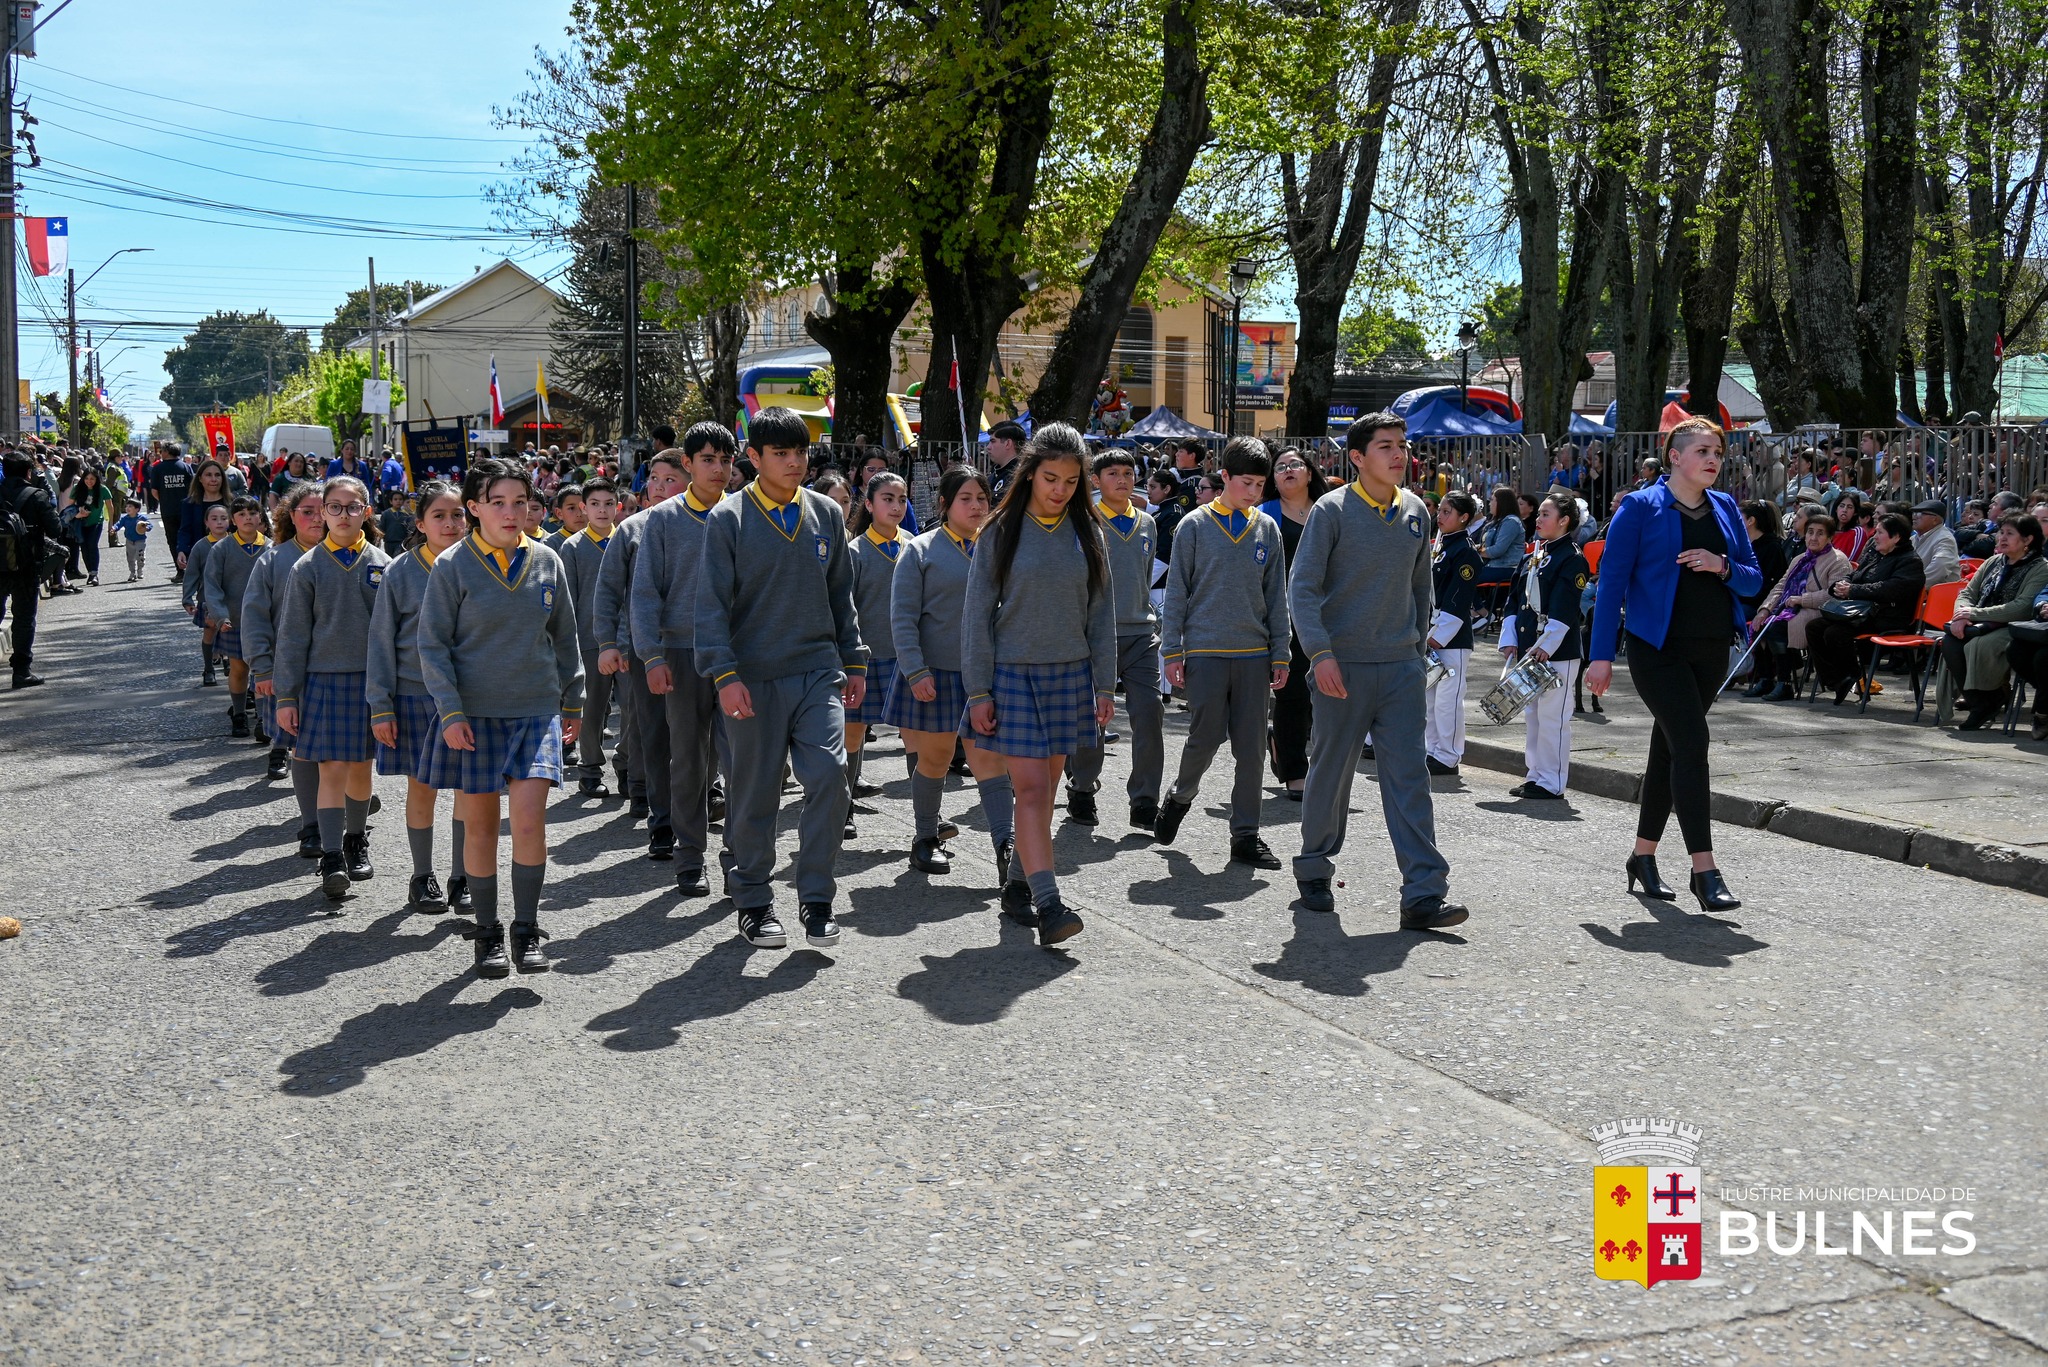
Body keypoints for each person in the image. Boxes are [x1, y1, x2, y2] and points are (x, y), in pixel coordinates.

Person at [695, 406, 867, 951]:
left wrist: (854, 660)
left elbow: (841, 594)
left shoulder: (826, 513)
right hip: (752, 678)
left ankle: (816, 898)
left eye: (801, 451)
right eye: (781, 453)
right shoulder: (728, 518)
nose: (795, 462)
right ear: (754, 457)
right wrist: (724, 674)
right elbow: (710, 606)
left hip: (818, 671)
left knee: (830, 778)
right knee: (755, 793)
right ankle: (753, 900)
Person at [1288, 413, 1465, 930]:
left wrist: (1415, 649)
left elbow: (1420, 588)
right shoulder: (1331, 510)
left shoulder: (1416, 511)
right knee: (1331, 773)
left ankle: (1424, 893)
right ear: (1358, 457)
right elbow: (1302, 587)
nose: (1399, 454)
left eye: (1402, 445)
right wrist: (1319, 654)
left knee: (1410, 779)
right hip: (1341, 668)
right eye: (1385, 446)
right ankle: (1314, 869)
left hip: (1401, 667)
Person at [1586, 418, 1762, 913]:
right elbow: (1611, 584)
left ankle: (1642, 856)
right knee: (1691, 743)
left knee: (1669, 749)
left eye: (1718, 452)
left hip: (1712, 647)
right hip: (1656, 649)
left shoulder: (1725, 506)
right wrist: (1600, 656)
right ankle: (1704, 870)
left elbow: (1753, 580)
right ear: (1675, 456)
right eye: (1703, 450)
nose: (1713, 459)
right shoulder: (1640, 507)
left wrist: (1720, 564)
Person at [417, 459, 584, 976]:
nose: (510, 513)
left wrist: (574, 699)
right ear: (474, 508)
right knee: (482, 826)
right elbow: (433, 646)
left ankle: (526, 930)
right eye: (497, 503)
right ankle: (487, 932)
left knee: (530, 821)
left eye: (519, 502)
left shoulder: (548, 560)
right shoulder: (452, 566)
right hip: (474, 716)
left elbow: (565, 636)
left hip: (536, 710)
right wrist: (450, 712)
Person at [961, 422, 1114, 947]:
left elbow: (1101, 615)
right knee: (1030, 790)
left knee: (1045, 791)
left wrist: (1105, 686)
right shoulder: (999, 531)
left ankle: (1017, 885)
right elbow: (976, 617)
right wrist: (978, 691)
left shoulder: (1089, 533)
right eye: (1051, 478)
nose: (1060, 490)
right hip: (1012, 676)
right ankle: (1050, 905)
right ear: (1029, 474)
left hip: (1070, 674)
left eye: (1071, 481)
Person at [1154, 437, 1290, 865]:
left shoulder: (1267, 528)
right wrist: (1172, 651)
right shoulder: (1193, 525)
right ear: (1225, 477)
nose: (1253, 492)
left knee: (1251, 749)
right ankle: (1181, 795)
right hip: (1205, 652)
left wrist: (1281, 652)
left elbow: (1277, 595)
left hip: (1254, 654)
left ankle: (1245, 834)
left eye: (1260, 485)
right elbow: (1177, 591)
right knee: (1205, 738)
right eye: (1245, 482)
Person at [886, 467, 1011, 882]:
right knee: (936, 757)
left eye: (982, 498)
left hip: (986, 675)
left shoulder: (1000, 548)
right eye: (966, 498)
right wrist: (915, 670)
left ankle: (1007, 846)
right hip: (935, 674)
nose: (976, 506)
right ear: (944, 504)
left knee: (989, 760)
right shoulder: (920, 550)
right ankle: (925, 838)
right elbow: (903, 617)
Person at [272, 475, 392, 902]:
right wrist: (287, 695)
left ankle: (355, 841)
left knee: (360, 768)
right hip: (322, 681)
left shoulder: (384, 564)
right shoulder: (306, 567)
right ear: (323, 512)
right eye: (335, 507)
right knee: (331, 768)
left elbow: (394, 634)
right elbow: (292, 637)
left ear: (367, 512)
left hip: (370, 682)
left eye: (353, 507)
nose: (344, 515)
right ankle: (331, 855)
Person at [633, 422, 739, 897]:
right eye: (707, 460)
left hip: (737, 654)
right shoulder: (663, 519)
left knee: (741, 761)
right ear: (688, 464)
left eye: (725, 460)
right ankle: (690, 855)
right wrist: (651, 656)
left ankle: (738, 857)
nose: (718, 469)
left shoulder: (744, 513)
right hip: (680, 653)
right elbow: (644, 593)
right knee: (689, 760)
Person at [367, 480, 470, 916]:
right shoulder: (400, 572)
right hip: (415, 696)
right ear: (421, 523)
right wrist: (381, 706)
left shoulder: (481, 563)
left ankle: (463, 875)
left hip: (469, 698)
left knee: (470, 789)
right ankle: (422, 875)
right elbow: (380, 642)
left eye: (457, 514)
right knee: (422, 787)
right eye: (438, 516)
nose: (450, 524)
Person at [1065, 450, 1165, 829]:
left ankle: (1144, 799)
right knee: (1094, 717)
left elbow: (1145, 576)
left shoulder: (1147, 523)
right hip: (1096, 635)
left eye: (1128, 473)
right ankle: (1082, 787)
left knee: (1149, 713)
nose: (1122, 480)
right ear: (1095, 480)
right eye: (1112, 474)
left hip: (1140, 634)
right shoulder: (1084, 522)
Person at [595, 455, 686, 846]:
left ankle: (701, 798)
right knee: (653, 733)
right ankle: (658, 813)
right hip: (645, 650)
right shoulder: (631, 529)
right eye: (654, 478)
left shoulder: (713, 522)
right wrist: (608, 643)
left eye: (671, 478)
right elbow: (609, 590)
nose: (660, 486)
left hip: (698, 648)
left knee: (700, 736)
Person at [1499, 493, 1589, 800]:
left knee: (1553, 718)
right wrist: (1510, 638)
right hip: (1530, 650)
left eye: (1545, 514)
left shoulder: (1572, 558)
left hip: (1556, 652)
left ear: (1564, 521)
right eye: (1538, 514)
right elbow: (1514, 600)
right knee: (1534, 716)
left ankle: (1552, 781)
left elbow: (1565, 607)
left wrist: (1546, 645)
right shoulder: (1533, 555)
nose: (1538, 519)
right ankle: (1535, 775)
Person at [839, 468, 912, 842]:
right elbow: (845, 610)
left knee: (918, 737)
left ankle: (927, 820)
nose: (896, 506)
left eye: (902, 499)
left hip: (908, 660)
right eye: (887, 499)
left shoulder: (914, 546)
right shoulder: (854, 553)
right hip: (865, 661)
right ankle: (843, 808)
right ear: (868, 504)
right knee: (852, 737)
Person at [247, 485, 330, 804]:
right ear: (291, 517)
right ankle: (315, 815)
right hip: (287, 669)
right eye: (307, 512)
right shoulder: (273, 560)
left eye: (323, 511)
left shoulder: (348, 556)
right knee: (301, 742)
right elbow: (254, 617)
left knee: (337, 748)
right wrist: (263, 667)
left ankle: (345, 802)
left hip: (335, 668)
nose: (317, 519)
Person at [1262, 449, 1331, 796]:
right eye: (1280, 467)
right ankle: (1294, 771)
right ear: (1273, 479)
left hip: (1327, 615)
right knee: (1292, 695)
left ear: (1309, 472)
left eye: (1295, 465)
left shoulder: (1330, 510)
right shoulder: (1264, 515)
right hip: (1283, 616)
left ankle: (1287, 744)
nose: (1288, 470)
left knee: (1328, 695)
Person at [1809, 509, 1926, 705]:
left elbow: (1890, 589)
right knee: (1814, 627)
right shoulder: (1874, 552)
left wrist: (1853, 590)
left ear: (1896, 537)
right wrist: (1842, 584)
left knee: (1835, 633)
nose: (1875, 536)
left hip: (1888, 616)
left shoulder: (1910, 561)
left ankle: (1851, 674)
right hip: (1861, 611)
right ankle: (1836, 680)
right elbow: (1856, 574)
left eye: (1880, 532)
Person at [1944, 513, 2048, 730]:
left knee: (1981, 644)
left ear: (2028, 539)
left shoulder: (2041, 568)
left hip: (2014, 626)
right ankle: (1978, 702)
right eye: (2001, 532)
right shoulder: (1993, 562)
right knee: (1951, 641)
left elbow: (2022, 607)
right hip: (1979, 622)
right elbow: (1967, 593)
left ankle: (1993, 696)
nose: (2002, 537)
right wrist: (1960, 616)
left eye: (2010, 533)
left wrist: (1973, 614)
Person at [558, 476, 623, 798]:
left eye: (609, 504)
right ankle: (590, 769)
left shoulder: (627, 538)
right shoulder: (572, 547)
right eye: (594, 504)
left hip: (628, 639)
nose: (602, 510)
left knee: (633, 712)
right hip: (589, 641)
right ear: (584, 508)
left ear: (618, 507)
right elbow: (568, 601)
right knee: (594, 709)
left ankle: (628, 768)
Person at [1745, 512, 1849, 700]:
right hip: (1792, 609)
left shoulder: (1838, 560)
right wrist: (1765, 609)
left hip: (1817, 611)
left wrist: (1802, 599)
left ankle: (1784, 683)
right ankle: (1766, 678)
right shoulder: (1799, 559)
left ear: (1830, 537)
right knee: (1759, 624)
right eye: (1810, 532)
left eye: (1820, 533)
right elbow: (1780, 587)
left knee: (1775, 629)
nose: (1813, 537)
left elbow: (1834, 594)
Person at [201, 496, 271, 740]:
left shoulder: (271, 548)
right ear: (233, 520)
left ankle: (263, 719)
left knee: (263, 670)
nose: (248, 518)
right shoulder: (222, 549)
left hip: (265, 623)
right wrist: (221, 616)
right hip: (234, 621)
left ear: (260, 517)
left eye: (252, 513)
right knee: (239, 669)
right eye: (241, 514)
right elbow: (212, 586)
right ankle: (239, 713)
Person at [1425, 491, 1483, 776]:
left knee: (1448, 701)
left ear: (1464, 517)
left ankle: (1448, 755)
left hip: (1452, 637)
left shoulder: (1466, 551)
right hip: (1431, 631)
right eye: (1440, 510)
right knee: (1430, 699)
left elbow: (1458, 599)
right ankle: (1432, 749)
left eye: (1447, 512)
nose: (1440, 516)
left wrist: (1438, 635)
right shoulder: (1441, 545)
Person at [0, 452, 60, 688]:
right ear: (28, 473)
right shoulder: (37, 496)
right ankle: (21, 671)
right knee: (24, 618)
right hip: (26, 566)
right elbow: (55, 529)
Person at [183, 504, 232, 687]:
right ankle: (209, 669)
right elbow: (192, 574)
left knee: (230, 630)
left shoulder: (235, 543)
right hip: (208, 598)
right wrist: (187, 598)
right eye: (214, 519)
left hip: (231, 597)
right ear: (206, 522)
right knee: (210, 631)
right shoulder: (201, 546)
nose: (219, 522)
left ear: (230, 521)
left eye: (223, 518)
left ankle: (229, 661)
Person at [176, 459, 234, 576]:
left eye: (217, 475)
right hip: (201, 559)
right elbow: (185, 529)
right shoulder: (189, 504)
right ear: (200, 478)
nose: (213, 479)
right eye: (208, 475)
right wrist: (182, 550)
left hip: (230, 558)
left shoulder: (232, 502)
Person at [146, 444, 192, 580]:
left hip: (168, 510)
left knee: (173, 540)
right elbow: (193, 488)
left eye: (162, 451)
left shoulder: (158, 468)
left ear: (167, 452)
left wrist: (165, 500)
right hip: (186, 509)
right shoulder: (185, 467)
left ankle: (180, 571)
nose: (160, 453)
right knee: (188, 538)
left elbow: (154, 491)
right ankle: (191, 569)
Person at [66, 466, 114, 586]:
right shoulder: (77, 488)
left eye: (92, 479)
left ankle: (94, 574)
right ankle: (90, 572)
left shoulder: (102, 489)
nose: (89, 481)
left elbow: (110, 507)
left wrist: (110, 524)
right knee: (84, 547)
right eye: (87, 478)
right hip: (80, 523)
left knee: (92, 545)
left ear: (97, 479)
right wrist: (78, 513)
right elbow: (70, 506)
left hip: (96, 522)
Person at [1911, 499, 1961, 585]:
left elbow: (1941, 567)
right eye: (1914, 513)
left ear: (1935, 520)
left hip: (1937, 591)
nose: (1914, 517)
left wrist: (1911, 586)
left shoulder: (1945, 539)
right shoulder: (1913, 539)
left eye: (1920, 513)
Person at [986, 420, 1027, 503]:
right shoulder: (995, 475)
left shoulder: (1020, 477)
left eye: (993, 441)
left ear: (1008, 443)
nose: (988, 447)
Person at [114, 499, 151, 582]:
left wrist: (147, 528)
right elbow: (118, 524)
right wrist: (114, 528)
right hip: (129, 541)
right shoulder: (125, 518)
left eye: (130, 506)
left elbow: (149, 524)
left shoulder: (141, 518)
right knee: (130, 558)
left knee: (140, 556)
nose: (127, 508)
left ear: (137, 509)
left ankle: (140, 570)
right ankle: (132, 572)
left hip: (140, 540)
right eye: (126, 506)